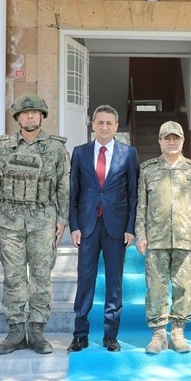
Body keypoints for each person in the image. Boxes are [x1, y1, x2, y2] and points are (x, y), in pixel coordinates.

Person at [0, 94, 70, 355]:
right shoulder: (2, 147)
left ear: (42, 116)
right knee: (13, 277)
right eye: (25, 112)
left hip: (43, 221)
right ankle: (15, 331)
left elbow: (63, 184)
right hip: (9, 221)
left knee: (41, 277)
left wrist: (62, 219)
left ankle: (36, 331)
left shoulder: (56, 148)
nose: (30, 115)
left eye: (35, 112)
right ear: (18, 117)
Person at [135, 121, 191, 354]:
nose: (171, 142)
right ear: (159, 141)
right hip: (156, 239)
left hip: (185, 239)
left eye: (175, 138)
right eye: (167, 138)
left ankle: (177, 332)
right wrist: (141, 234)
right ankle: (158, 334)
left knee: (184, 288)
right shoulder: (148, 170)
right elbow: (141, 205)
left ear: (182, 141)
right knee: (156, 289)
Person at [68, 105, 138, 352]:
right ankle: (80, 335)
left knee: (114, 283)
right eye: (100, 122)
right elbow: (73, 192)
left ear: (116, 126)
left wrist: (130, 227)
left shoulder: (128, 153)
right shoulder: (80, 152)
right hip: (87, 226)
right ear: (93, 125)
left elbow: (133, 194)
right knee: (85, 281)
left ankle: (110, 335)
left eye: (109, 123)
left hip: (116, 227)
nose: (104, 127)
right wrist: (74, 225)